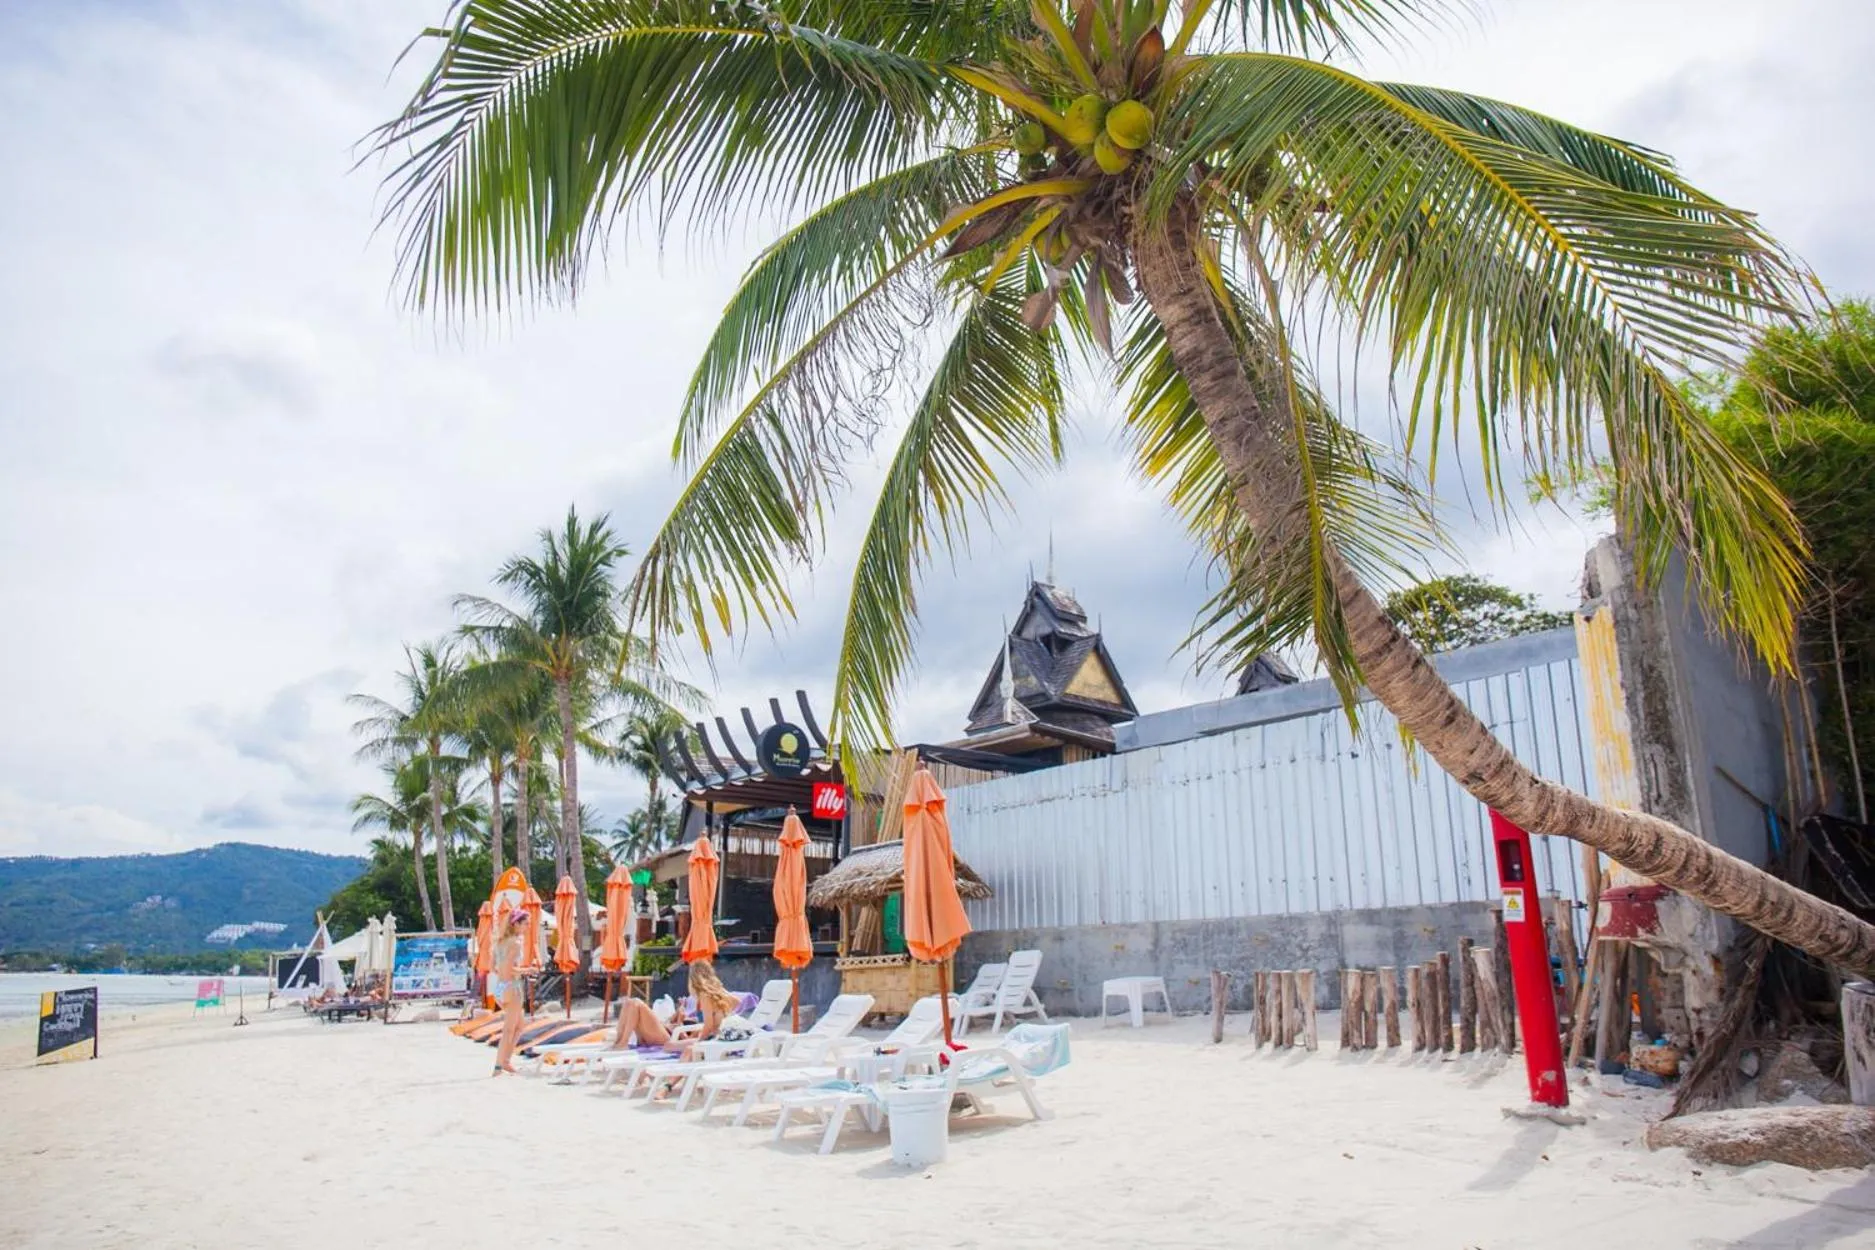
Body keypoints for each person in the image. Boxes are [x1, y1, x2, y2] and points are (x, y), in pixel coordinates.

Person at [608, 960, 740, 1060]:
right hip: (675, 1032)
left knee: (636, 1003)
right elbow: (737, 1002)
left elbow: (708, 1026)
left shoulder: (705, 997)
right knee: (629, 1003)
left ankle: (622, 1042)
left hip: (671, 1036)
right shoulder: (711, 998)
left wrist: (699, 1039)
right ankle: (619, 1042)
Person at [490, 909, 529, 1076]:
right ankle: (500, 1065)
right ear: (516, 924)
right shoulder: (515, 943)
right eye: (526, 923)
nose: (528, 927)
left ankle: (505, 1061)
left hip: (500, 987)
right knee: (510, 1028)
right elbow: (508, 970)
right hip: (512, 987)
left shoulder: (499, 942)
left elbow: (494, 967)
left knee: (519, 1026)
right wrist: (527, 970)